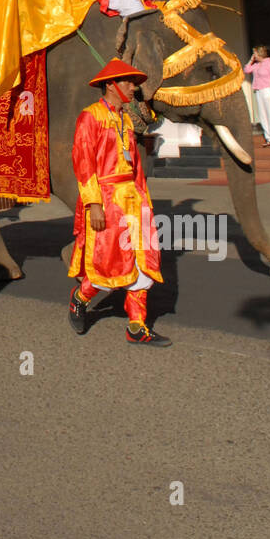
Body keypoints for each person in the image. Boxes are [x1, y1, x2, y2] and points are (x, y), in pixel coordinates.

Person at [67, 58, 170, 347]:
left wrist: (144, 202)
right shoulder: (90, 117)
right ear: (111, 85)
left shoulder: (126, 118)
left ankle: (137, 327)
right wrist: (94, 205)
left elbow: (135, 165)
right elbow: (83, 163)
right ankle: (81, 297)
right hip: (107, 200)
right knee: (108, 263)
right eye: (126, 82)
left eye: (133, 82)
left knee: (142, 260)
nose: (132, 87)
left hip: (133, 200)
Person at [244, 45, 270, 147]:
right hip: (259, 91)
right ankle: (269, 138)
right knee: (263, 115)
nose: (254, 55)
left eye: (255, 53)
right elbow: (247, 70)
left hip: (268, 90)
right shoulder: (257, 65)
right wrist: (251, 60)